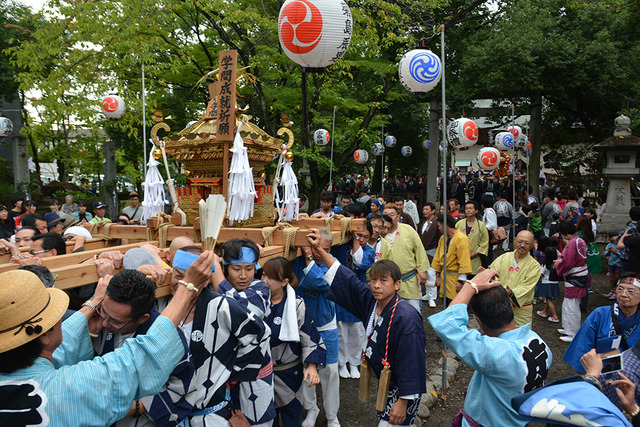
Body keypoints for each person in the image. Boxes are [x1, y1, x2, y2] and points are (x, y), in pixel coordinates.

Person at [0, 253, 216, 426]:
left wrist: (94, 302)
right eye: (57, 316)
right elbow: (148, 352)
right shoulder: (69, 388)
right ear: (45, 335)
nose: (103, 323)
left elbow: (64, 346)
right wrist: (188, 287)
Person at [306, 229, 426, 427]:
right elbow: (345, 278)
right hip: (388, 381)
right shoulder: (372, 300)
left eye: (383, 281)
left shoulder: (407, 318)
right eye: (373, 280)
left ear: (397, 284)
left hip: (404, 388)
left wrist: (403, 401)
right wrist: (319, 249)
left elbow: (412, 360)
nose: (376, 286)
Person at [429, 268, 552, 427]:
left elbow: (446, 324)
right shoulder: (538, 342)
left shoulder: (496, 353)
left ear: (479, 321)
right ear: (509, 307)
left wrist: (470, 286)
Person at [168, 247, 270, 426]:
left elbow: (260, 334)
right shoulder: (162, 304)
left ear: (206, 280)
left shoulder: (221, 305)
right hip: (169, 413)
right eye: (178, 275)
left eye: (192, 278)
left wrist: (226, 366)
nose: (183, 283)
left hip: (209, 414)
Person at [91, 269, 195, 426]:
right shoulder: (97, 320)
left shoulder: (166, 335)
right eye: (103, 312)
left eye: (115, 321)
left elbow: (180, 383)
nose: (105, 323)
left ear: (142, 318)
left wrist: (137, 406)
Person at [211, 238, 276, 426]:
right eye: (236, 268)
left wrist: (215, 269)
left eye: (249, 268)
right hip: (223, 377)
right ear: (226, 268)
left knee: (260, 420)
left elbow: (236, 308)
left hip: (256, 376)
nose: (243, 275)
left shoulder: (260, 288)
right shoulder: (214, 288)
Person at [262, 257, 326, 427]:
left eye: (270, 277)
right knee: (267, 419)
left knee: (292, 418)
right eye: (263, 275)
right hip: (262, 375)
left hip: (290, 373)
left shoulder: (296, 305)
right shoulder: (255, 301)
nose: (264, 281)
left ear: (284, 282)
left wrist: (312, 366)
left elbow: (309, 336)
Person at [293, 228, 341, 427]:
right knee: (305, 371)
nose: (318, 253)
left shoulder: (333, 265)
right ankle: (311, 409)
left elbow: (320, 282)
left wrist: (309, 256)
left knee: (330, 372)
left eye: (324, 249)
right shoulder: (297, 261)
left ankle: (332, 415)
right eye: (315, 248)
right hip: (303, 327)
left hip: (326, 327)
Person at [562, 274, 640, 373]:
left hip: (631, 376)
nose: (624, 294)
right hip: (598, 373)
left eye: (631, 291)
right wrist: (586, 378)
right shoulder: (600, 314)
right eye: (620, 289)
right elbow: (583, 347)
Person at [381, 203, 429, 312]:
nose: (388, 216)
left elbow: (419, 250)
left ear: (398, 217)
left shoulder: (408, 230)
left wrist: (422, 271)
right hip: (385, 280)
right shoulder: (378, 233)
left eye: (392, 214)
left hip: (408, 279)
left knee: (413, 311)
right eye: (385, 214)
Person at [489, 230, 541, 327]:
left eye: (527, 243)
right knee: (499, 335)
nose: (522, 245)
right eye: (520, 242)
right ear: (515, 241)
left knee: (521, 337)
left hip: (521, 310)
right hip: (500, 306)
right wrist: (487, 274)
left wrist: (511, 292)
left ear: (532, 245)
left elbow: (527, 286)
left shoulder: (534, 266)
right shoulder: (503, 258)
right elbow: (493, 274)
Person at [555, 220, 589, 342]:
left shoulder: (572, 243)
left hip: (575, 276)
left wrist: (559, 268)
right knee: (569, 304)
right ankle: (568, 328)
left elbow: (568, 262)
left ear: (564, 233)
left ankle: (572, 332)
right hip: (580, 274)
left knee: (572, 306)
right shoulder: (580, 240)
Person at [431, 214, 472, 306]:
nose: (438, 228)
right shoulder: (443, 238)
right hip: (445, 277)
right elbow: (438, 257)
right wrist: (437, 276)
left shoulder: (462, 239)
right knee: (445, 304)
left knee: (454, 306)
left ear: (445, 225)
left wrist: (461, 280)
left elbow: (464, 260)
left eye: (439, 226)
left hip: (455, 278)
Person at [455, 201, 489, 276]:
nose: (468, 210)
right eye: (466, 208)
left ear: (476, 211)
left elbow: (484, 242)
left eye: (470, 208)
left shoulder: (481, 226)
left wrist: (474, 253)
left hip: (475, 259)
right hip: (460, 259)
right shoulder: (459, 224)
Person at [605, 232, 624, 300]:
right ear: (610, 238)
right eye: (614, 236)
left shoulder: (620, 245)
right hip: (611, 263)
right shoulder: (609, 245)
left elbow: (623, 255)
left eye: (617, 236)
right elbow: (605, 254)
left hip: (619, 264)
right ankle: (612, 291)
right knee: (611, 279)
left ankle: (616, 292)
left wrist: (616, 251)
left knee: (617, 278)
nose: (616, 237)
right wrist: (609, 251)